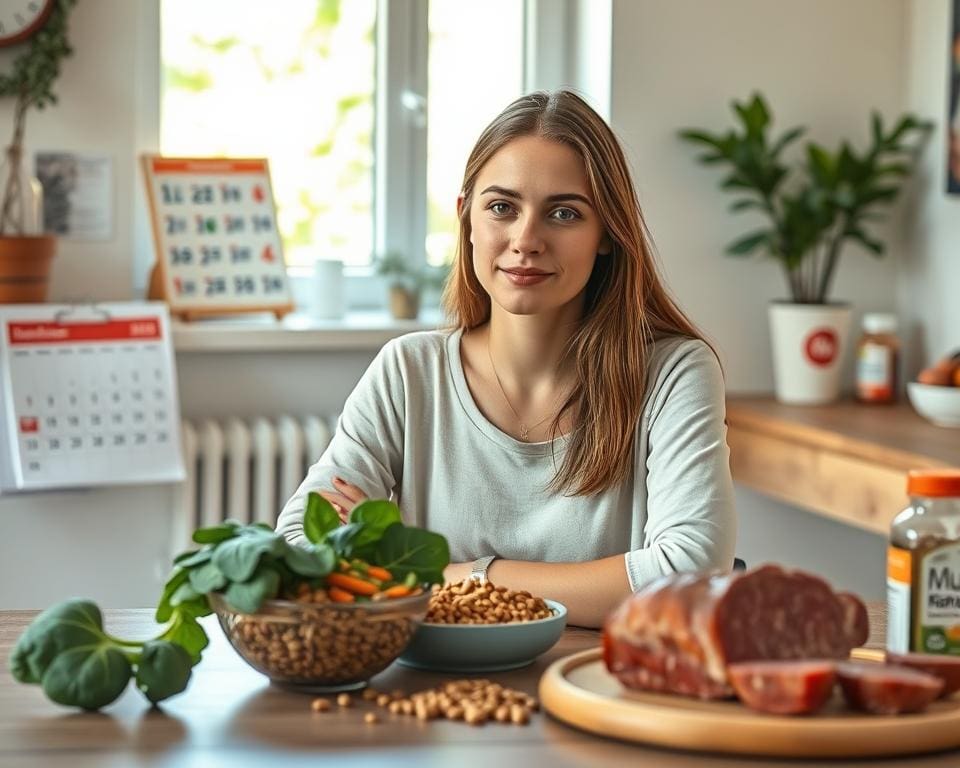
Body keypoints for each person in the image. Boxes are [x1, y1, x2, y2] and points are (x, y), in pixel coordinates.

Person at [277, 90, 737, 628]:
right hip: (437, 689)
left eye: (564, 213)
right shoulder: (408, 372)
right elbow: (302, 541)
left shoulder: (674, 373)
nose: (526, 239)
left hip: (606, 687)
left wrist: (441, 575)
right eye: (502, 208)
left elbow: (692, 573)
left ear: (607, 234)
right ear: (466, 217)